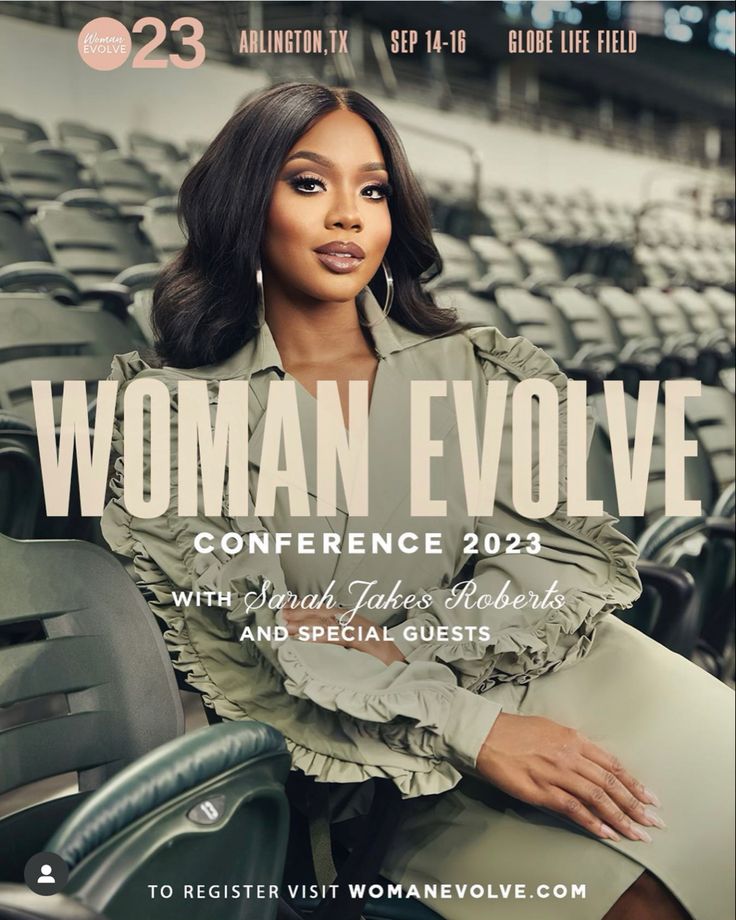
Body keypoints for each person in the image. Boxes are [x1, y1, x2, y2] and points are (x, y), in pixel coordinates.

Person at [101, 82, 734, 920]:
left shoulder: (472, 370)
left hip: (556, 673)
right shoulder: (176, 416)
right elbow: (270, 653)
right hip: (371, 766)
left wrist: (411, 646)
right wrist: (467, 721)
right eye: (308, 182)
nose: (348, 216)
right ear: (246, 203)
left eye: (372, 190)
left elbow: (558, 561)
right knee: (637, 906)